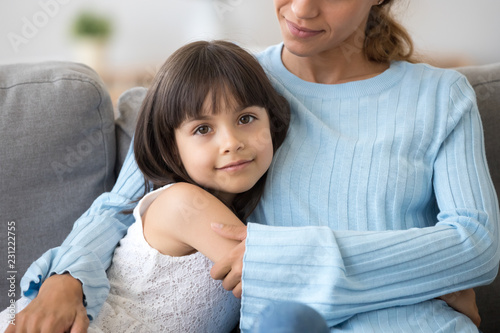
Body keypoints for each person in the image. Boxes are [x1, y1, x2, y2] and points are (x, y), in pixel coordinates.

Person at [6, 0, 500, 332]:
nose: (301, 8)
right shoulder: (233, 84)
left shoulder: (439, 96)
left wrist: (278, 261)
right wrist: (66, 276)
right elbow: (122, 203)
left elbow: (475, 245)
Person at [1, 40, 289, 332]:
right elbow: (280, 286)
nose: (231, 143)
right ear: (171, 148)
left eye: (246, 118)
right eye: (203, 129)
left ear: (272, 122)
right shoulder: (183, 203)